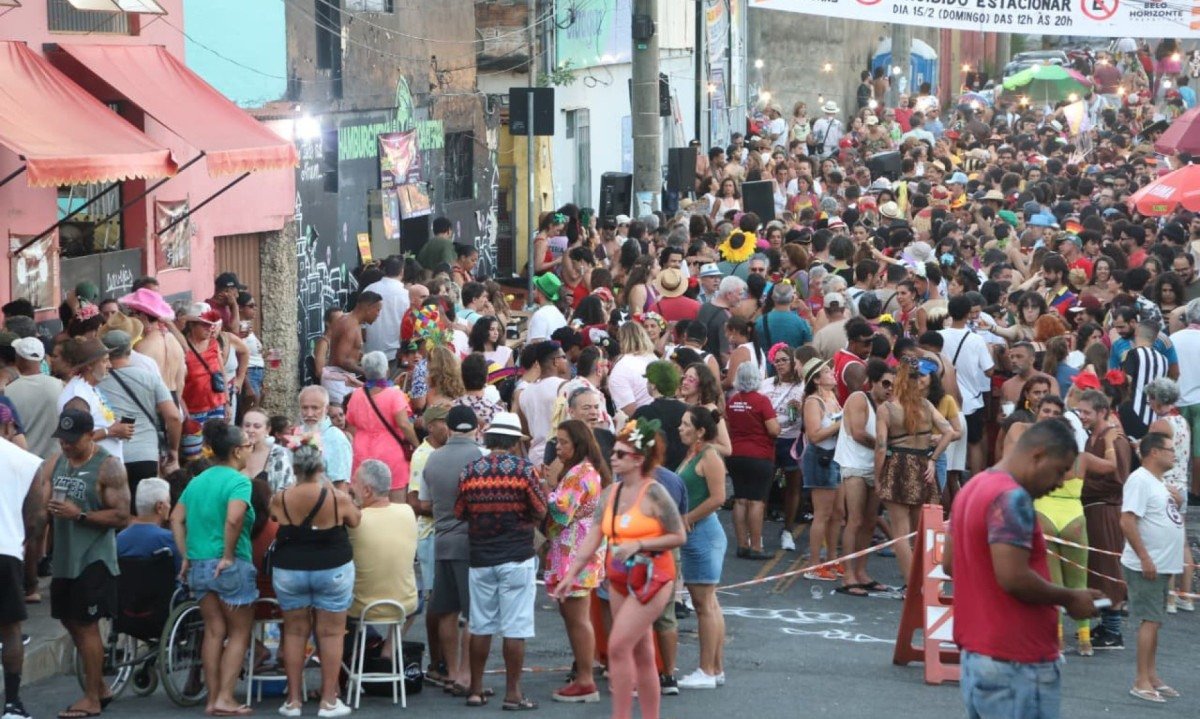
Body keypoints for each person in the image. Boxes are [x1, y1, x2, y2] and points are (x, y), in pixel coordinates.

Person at [946, 418, 1102, 719]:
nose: (1060, 482)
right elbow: (1014, 577)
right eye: (1060, 470)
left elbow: (950, 564)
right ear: (1038, 454)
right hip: (1016, 662)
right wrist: (1070, 598)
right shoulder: (1011, 498)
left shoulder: (973, 486)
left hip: (979, 658)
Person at [551, 418, 687, 719]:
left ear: (638, 459)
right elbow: (593, 536)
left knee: (618, 646)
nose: (612, 458)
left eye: (621, 454)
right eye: (613, 452)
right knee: (641, 652)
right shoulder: (610, 492)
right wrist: (571, 574)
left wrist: (639, 544)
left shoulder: (654, 493)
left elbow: (679, 535)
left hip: (653, 577)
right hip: (619, 578)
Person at [36, 408, 129, 719]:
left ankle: (91, 697)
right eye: (62, 440)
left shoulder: (108, 466)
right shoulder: (56, 461)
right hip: (64, 559)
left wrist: (80, 515)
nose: (66, 445)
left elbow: (121, 516)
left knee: (86, 625)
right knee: (69, 621)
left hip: (94, 558)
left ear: (90, 435)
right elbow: (42, 509)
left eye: (73, 440)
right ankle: (100, 687)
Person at [455, 412, 547, 711]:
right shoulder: (524, 471)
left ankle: (476, 689)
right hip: (517, 556)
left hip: (481, 556)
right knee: (515, 627)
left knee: (480, 625)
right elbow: (540, 510)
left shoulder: (470, 470)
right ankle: (513, 693)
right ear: (514, 441)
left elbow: (460, 511)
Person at [170, 421, 256, 718]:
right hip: (229, 564)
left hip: (199, 564)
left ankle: (212, 699)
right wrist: (229, 555)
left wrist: (185, 555)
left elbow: (175, 518)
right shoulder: (239, 481)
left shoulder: (197, 481)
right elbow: (234, 519)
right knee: (239, 632)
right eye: (247, 446)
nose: (250, 451)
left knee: (214, 631)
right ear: (235, 451)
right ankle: (225, 697)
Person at [267, 443, 361, 718]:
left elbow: (276, 518)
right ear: (321, 468)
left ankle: (294, 700)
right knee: (331, 634)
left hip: (290, 569)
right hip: (332, 567)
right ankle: (329, 700)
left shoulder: (281, 498)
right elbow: (355, 520)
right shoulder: (337, 498)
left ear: (294, 469)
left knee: (295, 632)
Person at [419, 405, 485, 695]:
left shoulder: (432, 459)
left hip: (441, 538)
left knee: (446, 609)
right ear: (474, 427)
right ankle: (467, 676)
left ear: (448, 427)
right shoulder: (479, 457)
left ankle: (453, 671)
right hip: (470, 542)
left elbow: (426, 501)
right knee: (473, 613)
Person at [543, 420, 609, 703]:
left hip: (575, 554)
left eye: (563, 442)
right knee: (573, 616)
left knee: (578, 618)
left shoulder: (579, 473)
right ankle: (584, 674)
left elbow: (560, 514)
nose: (558, 447)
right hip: (576, 551)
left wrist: (545, 487)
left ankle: (585, 679)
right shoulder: (586, 471)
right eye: (557, 441)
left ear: (578, 443)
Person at [1119, 432, 1185, 703]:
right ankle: (1140, 680)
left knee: (1155, 622)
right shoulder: (1140, 480)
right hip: (1147, 564)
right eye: (1169, 449)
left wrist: (1177, 502)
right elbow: (1126, 520)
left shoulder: (1158, 482)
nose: (1174, 454)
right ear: (1154, 452)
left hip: (1161, 564)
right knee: (1149, 621)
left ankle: (1152, 675)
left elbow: (1163, 516)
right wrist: (1145, 557)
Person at [875, 358, 954, 584]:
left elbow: (880, 448)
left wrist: (878, 478)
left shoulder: (887, 408)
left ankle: (912, 585)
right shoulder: (927, 405)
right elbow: (949, 432)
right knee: (922, 532)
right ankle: (927, 583)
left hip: (898, 465)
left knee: (900, 532)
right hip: (922, 465)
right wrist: (933, 458)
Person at [676, 406, 728, 689]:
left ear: (700, 431)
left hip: (703, 537)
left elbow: (719, 497)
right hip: (699, 537)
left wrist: (687, 519)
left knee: (704, 605)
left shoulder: (710, 456)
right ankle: (716, 668)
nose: (679, 428)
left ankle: (706, 670)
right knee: (710, 604)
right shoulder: (694, 453)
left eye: (685, 425)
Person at [1075, 389, 1132, 650]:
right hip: (1092, 509)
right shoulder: (1093, 438)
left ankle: (1114, 632)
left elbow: (1116, 480)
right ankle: (1105, 626)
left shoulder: (1115, 441)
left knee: (1108, 568)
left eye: (1086, 412)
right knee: (1097, 569)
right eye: (1080, 411)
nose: (1082, 416)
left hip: (1106, 510)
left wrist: (1080, 487)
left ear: (1101, 412)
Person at [99, 329, 182, 497]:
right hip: (145, 454)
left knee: (117, 514)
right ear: (130, 350)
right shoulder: (150, 378)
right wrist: (173, 448)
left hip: (110, 457)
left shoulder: (96, 382)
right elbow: (173, 416)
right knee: (144, 509)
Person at [835, 358, 893, 595]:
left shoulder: (887, 405)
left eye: (893, 385)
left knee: (870, 522)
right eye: (886, 384)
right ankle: (848, 575)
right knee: (855, 520)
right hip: (855, 466)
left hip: (874, 467)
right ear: (874, 383)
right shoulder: (859, 399)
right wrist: (884, 446)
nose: (890, 389)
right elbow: (858, 433)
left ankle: (861, 571)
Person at [0, 436, 45, 719]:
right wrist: (24, 542)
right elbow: (36, 518)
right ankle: (12, 704)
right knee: (11, 629)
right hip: (7, 549)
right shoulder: (26, 461)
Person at [1143, 378, 1195, 612]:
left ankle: (1171, 598)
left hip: (1165, 485)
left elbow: (1146, 453)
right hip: (1181, 484)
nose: (1148, 402)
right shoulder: (1182, 420)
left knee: (1166, 543)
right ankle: (1187, 596)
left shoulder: (1161, 424)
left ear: (1157, 399)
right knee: (1181, 543)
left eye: (1150, 397)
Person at [344, 351, 418, 501]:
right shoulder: (394, 395)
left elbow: (351, 427)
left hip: (362, 453)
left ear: (365, 371)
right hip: (390, 452)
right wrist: (417, 444)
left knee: (364, 499)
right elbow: (403, 424)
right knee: (396, 502)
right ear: (386, 370)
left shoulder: (357, 395)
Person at [726, 363, 780, 558]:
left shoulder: (732, 400)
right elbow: (773, 429)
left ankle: (742, 544)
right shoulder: (762, 401)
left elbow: (729, 426)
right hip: (759, 455)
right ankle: (756, 546)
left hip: (736, 454)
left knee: (740, 499)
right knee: (756, 501)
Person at [57, 337, 132, 463]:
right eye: (104, 361)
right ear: (90, 366)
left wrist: (115, 428)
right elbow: (74, 439)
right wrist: (110, 431)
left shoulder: (89, 389)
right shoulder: (78, 396)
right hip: (91, 470)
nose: (110, 365)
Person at [761, 347, 806, 551]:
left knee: (793, 485)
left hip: (791, 440)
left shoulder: (803, 387)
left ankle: (788, 530)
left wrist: (802, 408)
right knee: (763, 486)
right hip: (768, 439)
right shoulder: (765, 385)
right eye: (776, 361)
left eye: (784, 360)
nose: (779, 364)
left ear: (793, 362)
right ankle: (757, 531)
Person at [324, 292, 383, 407]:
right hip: (338, 381)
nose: (378, 315)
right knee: (343, 421)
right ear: (369, 308)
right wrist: (368, 373)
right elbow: (341, 360)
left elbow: (349, 352)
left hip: (341, 379)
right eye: (378, 310)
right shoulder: (350, 325)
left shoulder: (350, 321)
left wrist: (367, 359)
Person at [116, 478, 181, 575]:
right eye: (168, 501)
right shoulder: (172, 540)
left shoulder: (118, 540)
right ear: (159, 507)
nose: (170, 506)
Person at [297, 386, 353, 484]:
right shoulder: (297, 433)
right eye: (305, 408)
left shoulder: (335, 438)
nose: (309, 414)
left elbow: (341, 484)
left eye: (315, 408)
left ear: (326, 409)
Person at [362, 255, 410, 362]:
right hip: (395, 353)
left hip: (371, 354)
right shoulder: (406, 295)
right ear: (402, 271)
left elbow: (362, 326)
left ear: (384, 270)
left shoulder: (368, 289)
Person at [609, 323, 659, 417]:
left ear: (620, 340)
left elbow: (630, 412)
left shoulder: (620, 370)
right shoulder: (654, 358)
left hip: (645, 424)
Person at [241, 408, 295, 492]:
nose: (250, 430)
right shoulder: (234, 452)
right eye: (247, 425)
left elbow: (285, 489)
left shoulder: (278, 454)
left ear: (268, 430)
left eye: (257, 426)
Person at [527, 273, 567, 343]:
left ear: (540, 293)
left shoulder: (540, 315)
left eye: (535, 289)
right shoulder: (558, 314)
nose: (533, 292)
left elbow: (536, 345)